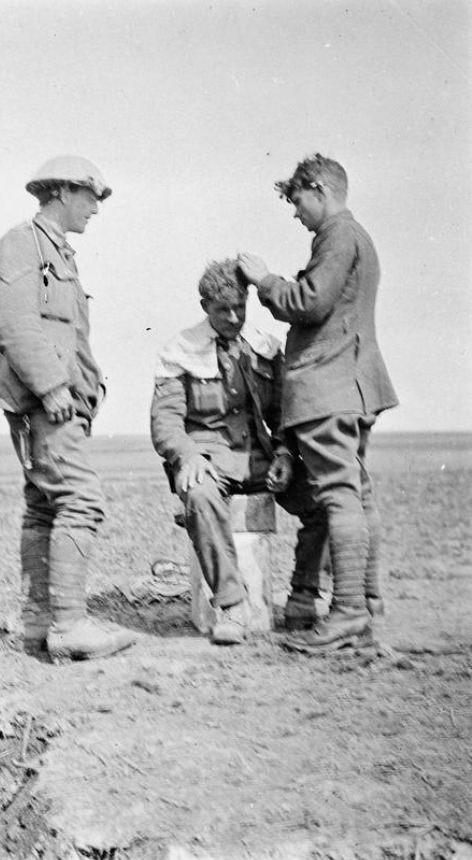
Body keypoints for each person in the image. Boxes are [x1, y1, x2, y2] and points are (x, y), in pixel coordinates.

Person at [239, 153, 399, 654]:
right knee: (357, 491)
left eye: (297, 200)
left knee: (337, 494)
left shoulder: (337, 235)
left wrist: (264, 280)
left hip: (328, 384)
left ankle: (349, 612)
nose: (295, 212)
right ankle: (366, 601)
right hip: (353, 383)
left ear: (319, 188)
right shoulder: (359, 238)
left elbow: (309, 302)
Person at [0, 155, 136, 663]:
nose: (95, 208)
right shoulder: (22, 244)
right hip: (42, 400)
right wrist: (52, 388)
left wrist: (85, 390)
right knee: (80, 498)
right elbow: (17, 327)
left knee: (45, 504)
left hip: (58, 400)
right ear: (64, 192)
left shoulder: (57, 252)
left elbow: (67, 336)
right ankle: (68, 625)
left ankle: (39, 619)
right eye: (91, 196)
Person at [150, 259, 328, 645]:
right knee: (199, 496)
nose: (233, 317)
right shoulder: (178, 351)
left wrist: (283, 453)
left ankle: (302, 597)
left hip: (260, 459)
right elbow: (165, 422)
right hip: (209, 460)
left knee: (325, 497)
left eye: (240, 308)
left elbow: (284, 411)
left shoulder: (264, 347)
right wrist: (188, 455)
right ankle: (230, 605)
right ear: (204, 308)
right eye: (222, 310)